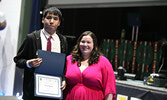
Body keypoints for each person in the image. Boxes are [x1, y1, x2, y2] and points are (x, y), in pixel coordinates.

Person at [14, 6, 68, 100]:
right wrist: (28, 63)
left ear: (59, 23)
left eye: (55, 19)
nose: (51, 21)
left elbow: (63, 65)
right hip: (32, 92)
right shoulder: (31, 38)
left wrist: (63, 79)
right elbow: (18, 60)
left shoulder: (62, 40)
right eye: (48, 18)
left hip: (53, 91)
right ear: (43, 20)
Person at [64, 31, 116, 100]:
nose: (85, 44)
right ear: (78, 43)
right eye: (82, 42)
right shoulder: (68, 59)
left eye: (88, 42)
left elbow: (109, 89)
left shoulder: (103, 62)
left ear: (94, 44)